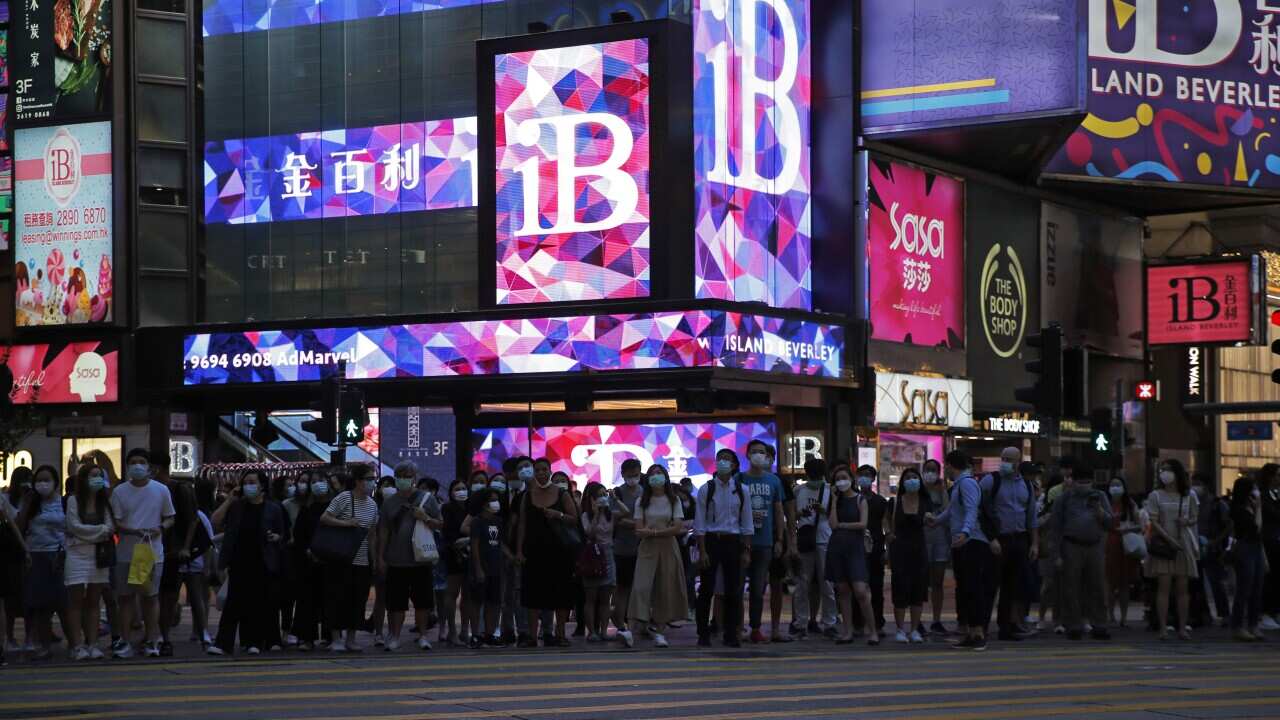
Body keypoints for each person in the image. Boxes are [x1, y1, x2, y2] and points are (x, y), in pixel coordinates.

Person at [208, 469, 287, 655]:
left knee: (258, 603)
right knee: (233, 603)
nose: (248, 486)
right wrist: (229, 499)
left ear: (262, 486)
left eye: (252, 482)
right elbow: (215, 520)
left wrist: (276, 537)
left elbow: (283, 535)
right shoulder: (237, 506)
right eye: (245, 482)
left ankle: (254, 642)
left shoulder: (273, 508)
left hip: (264, 560)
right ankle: (222, 644)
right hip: (238, 560)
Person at [109, 448, 176, 659]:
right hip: (127, 552)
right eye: (133, 462)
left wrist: (160, 528)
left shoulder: (161, 490)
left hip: (152, 552)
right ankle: (125, 640)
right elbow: (116, 521)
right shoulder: (120, 491)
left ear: (149, 467)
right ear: (128, 467)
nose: (137, 466)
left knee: (150, 597)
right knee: (126, 597)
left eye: (141, 462)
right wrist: (132, 530)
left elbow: (170, 517)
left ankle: (151, 640)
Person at [928, 450, 991, 651]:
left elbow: (972, 509)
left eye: (945, 465)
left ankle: (978, 633)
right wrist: (936, 521)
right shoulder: (958, 486)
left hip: (972, 542)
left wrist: (965, 532)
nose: (944, 469)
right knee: (965, 588)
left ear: (951, 465)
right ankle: (972, 633)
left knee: (973, 588)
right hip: (962, 542)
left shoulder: (967, 483)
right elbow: (953, 511)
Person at [376, 462, 441, 652]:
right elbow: (384, 531)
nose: (403, 478)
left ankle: (422, 636)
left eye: (408, 475)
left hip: (421, 559)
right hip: (396, 560)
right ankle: (394, 637)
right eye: (400, 475)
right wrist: (380, 556)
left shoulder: (427, 499)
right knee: (396, 603)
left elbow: (440, 524)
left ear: (414, 477)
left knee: (423, 602)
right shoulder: (389, 502)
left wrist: (425, 517)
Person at [515, 457, 577, 647]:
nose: (541, 473)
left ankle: (560, 635)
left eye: (544, 469)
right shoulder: (527, 495)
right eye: (538, 470)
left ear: (550, 471)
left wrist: (557, 514)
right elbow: (522, 525)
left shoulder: (561, 493)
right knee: (533, 595)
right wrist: (519, 550)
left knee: (560, 595)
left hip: (559, 552)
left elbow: (574, 518)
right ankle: (533, 637)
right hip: (534, 552)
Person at [979, 447, 1039, 641]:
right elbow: (980, 511)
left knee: (1012, 586)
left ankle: (1005, 627)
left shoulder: (1027, 486)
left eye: (1010, 459)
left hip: (1019, 539)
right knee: (989, 584)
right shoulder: (991, 481)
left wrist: (1034, 544)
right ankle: (982, 627)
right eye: (1003, 458)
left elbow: (1031, 518)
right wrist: (990, 538)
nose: (1005, 462)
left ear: (1018, 462)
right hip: (998, 539)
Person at [695, 448, 752, 648]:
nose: (723, 462)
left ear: (735, 465)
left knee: (733, 590)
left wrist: (746, 550)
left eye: (727, 459)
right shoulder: (706, 489)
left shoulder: (742, 490)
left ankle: (730, 634)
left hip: (733, 541)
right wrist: (702, 550)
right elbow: (700, 523)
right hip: (711, 540)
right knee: (707, 589)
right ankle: (703, 633)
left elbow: (746, 523)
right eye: (720, 459)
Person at [320, 464, 380, 653]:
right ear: (357, 480)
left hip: (361, 560)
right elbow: (325, 518)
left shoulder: (372, 504)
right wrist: (346, 523)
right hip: (341, 558)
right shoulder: (344, 498)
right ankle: (336, 638)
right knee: (337, 598)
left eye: (373, 479)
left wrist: (374, 559)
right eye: (368, 479)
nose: (371, 483)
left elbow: (372, 534)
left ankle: (351, 638)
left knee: (358, 600)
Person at [627, 465, 687, 649]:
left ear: (666, 477)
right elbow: (638, 530)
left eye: (659, 473)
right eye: (652, 474)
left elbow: (677, 527)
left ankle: (660, 633)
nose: (656, 477)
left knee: (665, 588)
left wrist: (652, 532)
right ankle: (630, 630)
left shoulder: (673, 499)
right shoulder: (642, 501)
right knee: (640, 587)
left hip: (669, 548)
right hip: (647, 549)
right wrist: (660, 531)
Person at [1051, 467, 1113, 641]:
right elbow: (1055, 529)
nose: (1085, 485)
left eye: (1088, 482)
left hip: (1095, 545)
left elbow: (1109, 523)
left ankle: (1099, 625)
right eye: (1081, 482)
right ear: (1073, 482)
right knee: (1071, 587)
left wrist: (1099, 510)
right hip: (1072, 545)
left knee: (1097, 587)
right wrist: (1056, 554)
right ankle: (1073, 625)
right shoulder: (1063, 499)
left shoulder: (1100, 497)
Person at [1144, 459, 1199, 641]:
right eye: (1162, 470)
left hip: (1183, 544)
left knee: (1183, 589)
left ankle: (1182, 627)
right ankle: (1163, 628)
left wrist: (1187, 522)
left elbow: (1193, 518)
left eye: (1168, 470)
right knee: (1164, 587)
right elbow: (1154, 521)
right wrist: (1169, 540)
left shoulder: (1188, 495)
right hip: (1164, 546)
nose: (1164, 473)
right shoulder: (1156, 495)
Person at [64, 464, 114, 660]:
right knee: (75, 601)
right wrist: (99, 532)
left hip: (98, 556)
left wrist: (91, 533)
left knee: (94, 601)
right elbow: (74, 526)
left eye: (100, 475)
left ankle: (92, 644)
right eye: (93, 475)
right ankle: (77, 645)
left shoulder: (104, 502)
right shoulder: (73, 501)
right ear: (84, 479)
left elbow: (110, 528)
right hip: (76, 555)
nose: (97, 479)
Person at [826, 464, 879, 645]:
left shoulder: (860, 500)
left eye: (844, 478)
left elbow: (862, 524)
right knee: (843, 590)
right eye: (837, 479)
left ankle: (872, 631)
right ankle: (847, 631)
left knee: (860, 591)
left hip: (855, 548)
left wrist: (843, 525)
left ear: (851, 479)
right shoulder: (835, 501)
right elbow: (832, 524)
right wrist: (833, 500)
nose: (841, 482)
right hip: (837, 548)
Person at [18, 465, 66, 660]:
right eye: (39, 480)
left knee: (63, 603)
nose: (42, 484)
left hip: (58, 554)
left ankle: (76, 643)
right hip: (36, 555)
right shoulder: (31, 503)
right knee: (41, 606)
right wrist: (27, 505)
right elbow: (20, 526)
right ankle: (44, 645)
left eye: (47, 480)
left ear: (55, 482)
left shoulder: (64, 502)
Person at [741, 439, 785, 644]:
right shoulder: (738, 479)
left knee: (758, 589)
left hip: (765, 542)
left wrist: (779, 539)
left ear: (768, 457)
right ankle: (735, 627)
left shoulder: (774, 481)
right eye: (754, 452)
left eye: (762, 452)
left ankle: (755, 628)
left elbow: (778, 511)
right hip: (741, 542)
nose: (758, 455)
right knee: (737, 587)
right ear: (747, 455)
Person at [792, 458, 836, 638]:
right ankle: (801, 622)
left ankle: (829, 622)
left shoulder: (830, 491)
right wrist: (800, 513)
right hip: (805, 539)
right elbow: (791, 513)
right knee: (803, 582)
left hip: (824, 538)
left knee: (826, 583)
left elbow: (835, 515)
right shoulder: (798, 490)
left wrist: (823, 511)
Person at [887, 467, 930, 644]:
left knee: (918, 590)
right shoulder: (895, 502)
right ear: (903, 482)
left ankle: (914, 629)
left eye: (915, 477)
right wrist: (888, 533)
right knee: (900, 588)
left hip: (919, 549)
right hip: (900, 549)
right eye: (908, 477)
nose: (912, 480)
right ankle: (900, 629)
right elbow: (886, 521)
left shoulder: (925, 501)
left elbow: (931, 521)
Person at [291, 472, 332, 651]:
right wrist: (307, 550)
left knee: (330, 599)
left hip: (331, 559)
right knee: (307, 600)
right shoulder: (307, 509)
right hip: (308, 560)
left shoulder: (335, 507)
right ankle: (306, 638)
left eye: (321, 480)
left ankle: (330, 636)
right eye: (314, 482)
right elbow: (299, 535)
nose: (317, 485)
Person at [468, 489, 508, 649]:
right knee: (477, 602)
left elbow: (500, 543)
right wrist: (478, 568)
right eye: (492, 500)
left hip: (496, 568)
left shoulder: (498, 521)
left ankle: (489, 634)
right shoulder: (477, 522)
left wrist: (511, 557)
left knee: (494, 602)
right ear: (483, 503)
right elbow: (474, 545)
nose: (495, 502)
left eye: (497, 499)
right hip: (481, 567)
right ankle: (475, 635)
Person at [175, 484, 214, 650]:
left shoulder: (199, 516)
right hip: (181, 561)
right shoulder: (175, 515)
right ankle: (201, 631)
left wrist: (206, 566)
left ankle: (202, 630)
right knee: (187, 598)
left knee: (197, 598)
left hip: (194, 562)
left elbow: (208, 542)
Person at [610, 457, 643, 646]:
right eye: (629, 476)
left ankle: (631, 623)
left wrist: (639, 526)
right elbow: (614, 519)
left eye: (636, 475)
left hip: (641, 547)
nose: (633, 479)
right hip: (621, 548)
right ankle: (620, 623)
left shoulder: (644, 492)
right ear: (622, 475)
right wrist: (637, 525)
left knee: (635, 589)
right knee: (622, 588)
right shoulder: (616, 494)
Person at [1230, 476, 1267, 641]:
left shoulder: (1250, 506)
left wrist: (1264, 557)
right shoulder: (1238, 509)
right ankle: (1238, 626)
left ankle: (1253, 624)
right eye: (1252, 488)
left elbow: (1259, 535)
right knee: (1244, 588)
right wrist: (1258, 509)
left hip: (1257, 548)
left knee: (1257, 588)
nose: (1256, 492)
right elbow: (1256, 527)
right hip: (1244, 549)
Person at [1193, 475, 1231, 628]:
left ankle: (1224, 614)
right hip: (1196, 547)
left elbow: (1229, 524)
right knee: (1197, 583)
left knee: (1217, 583)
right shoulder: (1192, 502)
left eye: (1198, 484)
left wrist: (1216, 541)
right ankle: (1203, 614)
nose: (1195, 487)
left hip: (1212, 548)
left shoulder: (1217, 504)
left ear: (1206, 486)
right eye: (1193, 484)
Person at [579, 482, 615, 641]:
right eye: (599, 495)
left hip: (608, 555)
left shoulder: (610, 514)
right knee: (591, 597)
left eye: (604, 494)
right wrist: (596, 514)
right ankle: (592, 631)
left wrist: (614, 499)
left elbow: (626, 513)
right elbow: (590, 534)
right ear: (592, 499)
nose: (603, 498)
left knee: (605, 598)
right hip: (593, 557)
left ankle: (604, 631)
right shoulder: (586, 516)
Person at [1104, 478, 1141, 628]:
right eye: (1112, 485)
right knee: (1109, 583)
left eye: (1118, 485)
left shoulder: (1130, 504)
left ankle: (1124, 617)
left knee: (1125, 584)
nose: (1115, 488)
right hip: (1109, 545)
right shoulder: (1104, 503)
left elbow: (1139, 526)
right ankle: (1110, 614)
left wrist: (1127, 529)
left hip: (1127, 545)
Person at [855, 465, 888, 634]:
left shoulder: (881, 501)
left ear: (873, 479)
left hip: (875, 548)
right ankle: (858, 624)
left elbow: (885, 525)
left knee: (876, 587)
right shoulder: (852, 499)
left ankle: (878, 623)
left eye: (868, 475)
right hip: (855, 548)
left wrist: (885, 549)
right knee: (857, 586)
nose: (864, 478)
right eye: (861, 475)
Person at [4, 467, 33, 655]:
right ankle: (10, 636)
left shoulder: (34, 499)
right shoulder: (7, 499)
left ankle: (30, 637)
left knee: (30, 596)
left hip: (33, 548)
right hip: (11, 552)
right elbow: (16, 523)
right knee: (11, 597)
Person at [440, 478, 471, 647]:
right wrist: (457, 546)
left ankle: (464, 630)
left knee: (467, 595)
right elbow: (448, 532)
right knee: (451, 594)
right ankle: (452, 631)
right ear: (451, 492)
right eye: (457, 489)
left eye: (464, 488)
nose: (461, 491)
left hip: (471, 554)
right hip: (454, 554)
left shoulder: (472, 508)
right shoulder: (447, 508)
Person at [921, 459, 950, 635]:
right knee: (921, 581)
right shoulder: (917, 488)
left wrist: (943, 490)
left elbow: (948, 510)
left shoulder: (942, 490)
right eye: (927, 469)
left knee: (937, 582)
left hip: (939, 539)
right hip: (922, 539)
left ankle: (936, 620)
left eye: (933, 470)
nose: (930, 473)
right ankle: (919, 620)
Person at [1260, 464, 1280, 630]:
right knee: (1269, 578)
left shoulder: (1275, 494)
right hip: (1268, 540)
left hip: (1276, 539)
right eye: (1277, 475)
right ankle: (1266, 612)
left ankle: (1274, 611)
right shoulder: (1262, 495)